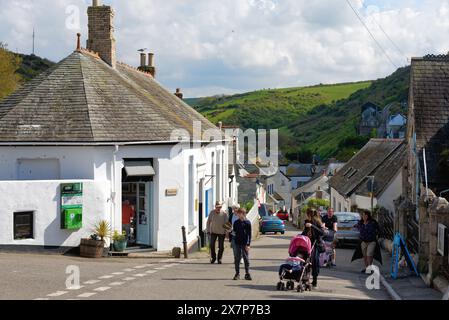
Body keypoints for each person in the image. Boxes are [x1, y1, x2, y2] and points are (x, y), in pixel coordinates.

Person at [303, 209, 325, 288]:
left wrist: (312, 226)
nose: (306, 216)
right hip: (307, 244)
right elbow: (305, 232)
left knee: (315, 261)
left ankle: (314, 280)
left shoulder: (317, 222)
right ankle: (305, 278)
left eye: (307, 214)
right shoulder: (306, 221)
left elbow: (322, 232)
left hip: (315, 245)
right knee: (305, 261)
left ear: (310, 214)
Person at [232, 208, 252, 281]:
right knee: (237, 259)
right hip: (237, 242)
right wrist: (231, 233)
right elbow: (234, 232)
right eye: (238, 214)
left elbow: (249, 234)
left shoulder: (247, 223)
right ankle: (237, 274)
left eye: (240, 214)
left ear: (244, 214)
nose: (238, 215)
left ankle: (247, 273)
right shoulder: (236, 223)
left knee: (246, 259)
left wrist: (248, 244)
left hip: (244, 243)